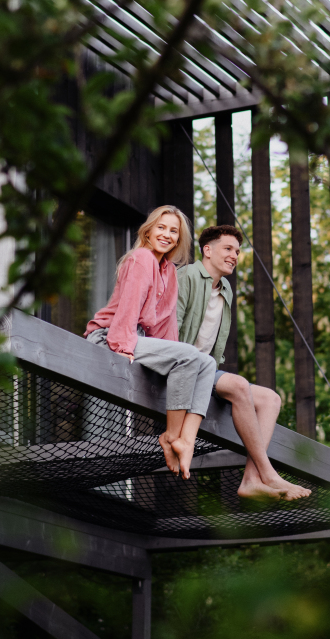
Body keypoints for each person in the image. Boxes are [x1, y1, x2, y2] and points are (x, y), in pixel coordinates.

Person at [177, 225, 311, 501]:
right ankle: (269, 474)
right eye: (228, 249)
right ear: (207, 250)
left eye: (237, 251)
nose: (235, 255)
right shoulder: (186, 276)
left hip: (206, 369)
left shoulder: (225, 289)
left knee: (271, 400)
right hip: (181, 365)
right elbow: (170, 329)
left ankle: (251, 480)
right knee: (238, 384)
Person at [84, 205, 216, 480]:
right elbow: (128, 308)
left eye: (174, 231)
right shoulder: (142, 258)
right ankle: (169, 436)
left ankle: (185, 439)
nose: (167, 235)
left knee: (206, 361)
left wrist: (173, 357)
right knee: (191, 357)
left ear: (179, 240)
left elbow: (165, 326)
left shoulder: (168, 271)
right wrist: (121, 346)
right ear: (149, 230)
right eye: (161, 227)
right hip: (111, 335)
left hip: (140, 339)